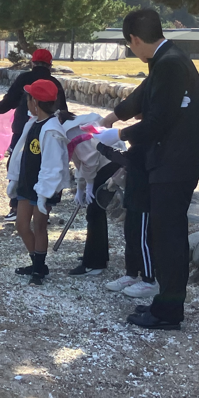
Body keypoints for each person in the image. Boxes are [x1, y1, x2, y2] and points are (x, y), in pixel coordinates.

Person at [93, 9, 199, 330]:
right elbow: (144, 94)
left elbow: (158, 120)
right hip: (172, 160)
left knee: (168, 235)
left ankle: (168, 311)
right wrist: (112, 117)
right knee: (164, 232)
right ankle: (166, 305)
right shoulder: (166, 60)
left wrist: (117, 134)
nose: (132, 50)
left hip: (177, 161)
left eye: (129, 45)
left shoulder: (170, 64)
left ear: (134, 39)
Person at [0, 48, 67, 223]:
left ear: (32, 62)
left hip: (23, 129)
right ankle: (42, 209)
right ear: (50, 65)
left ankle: (16, 207)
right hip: (46, 130)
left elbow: (9, 102)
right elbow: (63, 110)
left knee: (19, 165)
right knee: (43, 167)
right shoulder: (54, 82)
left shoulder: (24, 79)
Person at [6, 80, 69, 285]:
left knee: (39, 225)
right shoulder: (33, 123)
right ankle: (36, 262)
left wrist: (44, 193)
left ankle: (39, 269)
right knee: (21, 224)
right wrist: (14, 179)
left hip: (43, 186)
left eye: (29, 97)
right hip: (27, 183)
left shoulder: (51, 130)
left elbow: (52, 164)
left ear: (35, 102)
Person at [60, 111, 125, 277]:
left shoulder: (69, 132)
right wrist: (81, 188)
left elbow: (89, 160)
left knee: (95, 212)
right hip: (111, 161)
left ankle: (94, 263)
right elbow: (81, 163)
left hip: (108, 164)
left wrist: (88, 186)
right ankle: (97, 256)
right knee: (96, 212)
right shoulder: (75, 123)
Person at [96, 135, 159, 299]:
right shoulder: (139, 147)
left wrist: (102, 145)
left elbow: (123, 158)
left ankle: (149, 279)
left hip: (144, 200)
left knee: (143, 240)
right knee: (130, 236)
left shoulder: (146, 145)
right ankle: (131, 274)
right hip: (132, 197)